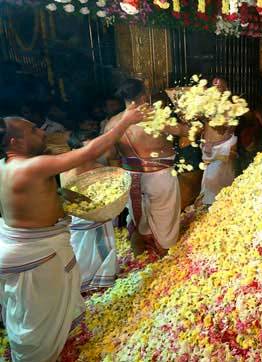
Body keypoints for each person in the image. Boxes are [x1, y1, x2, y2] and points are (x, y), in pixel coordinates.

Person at [0, 105, 143, 361]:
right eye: (32, 130)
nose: (41, 132)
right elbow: (90, 151)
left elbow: (36, 198)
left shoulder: (6, 165)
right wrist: (125, 121)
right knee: (40, 311)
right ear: (15, 141)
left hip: (28, 244)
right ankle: (36, 356)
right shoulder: (29, 167)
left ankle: (47, 344)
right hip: (35, 251)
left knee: (33, 306)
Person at [105, 78, 188, 255]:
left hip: (129, 177)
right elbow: (183, 131)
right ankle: (166, 252)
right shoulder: (154, 117)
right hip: (159, 175)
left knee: (139, 212)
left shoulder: (112, 123)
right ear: (144, 97)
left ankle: (145, 248)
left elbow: (110, 155)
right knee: (164, 213)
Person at [60, 139, 117, 293]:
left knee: (99, 245)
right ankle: (88, 281)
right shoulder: (70, 170)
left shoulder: (97, 167)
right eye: (90, 148)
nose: (94, 151)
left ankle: (100, 279)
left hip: (97, 214)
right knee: (85, 247)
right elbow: (70, 196)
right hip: (83, 215)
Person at [200, 77, 238, 206]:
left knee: (214, 179)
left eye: (219, 86)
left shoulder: (230, 107)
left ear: (226, 89)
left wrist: (212, 117)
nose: (216, 88)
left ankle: (219, 207)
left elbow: (223, 129)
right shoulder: (206, 105)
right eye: (213, 85)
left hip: (224, 147)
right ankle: (208, 210)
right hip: (208, 148)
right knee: (207, 181)